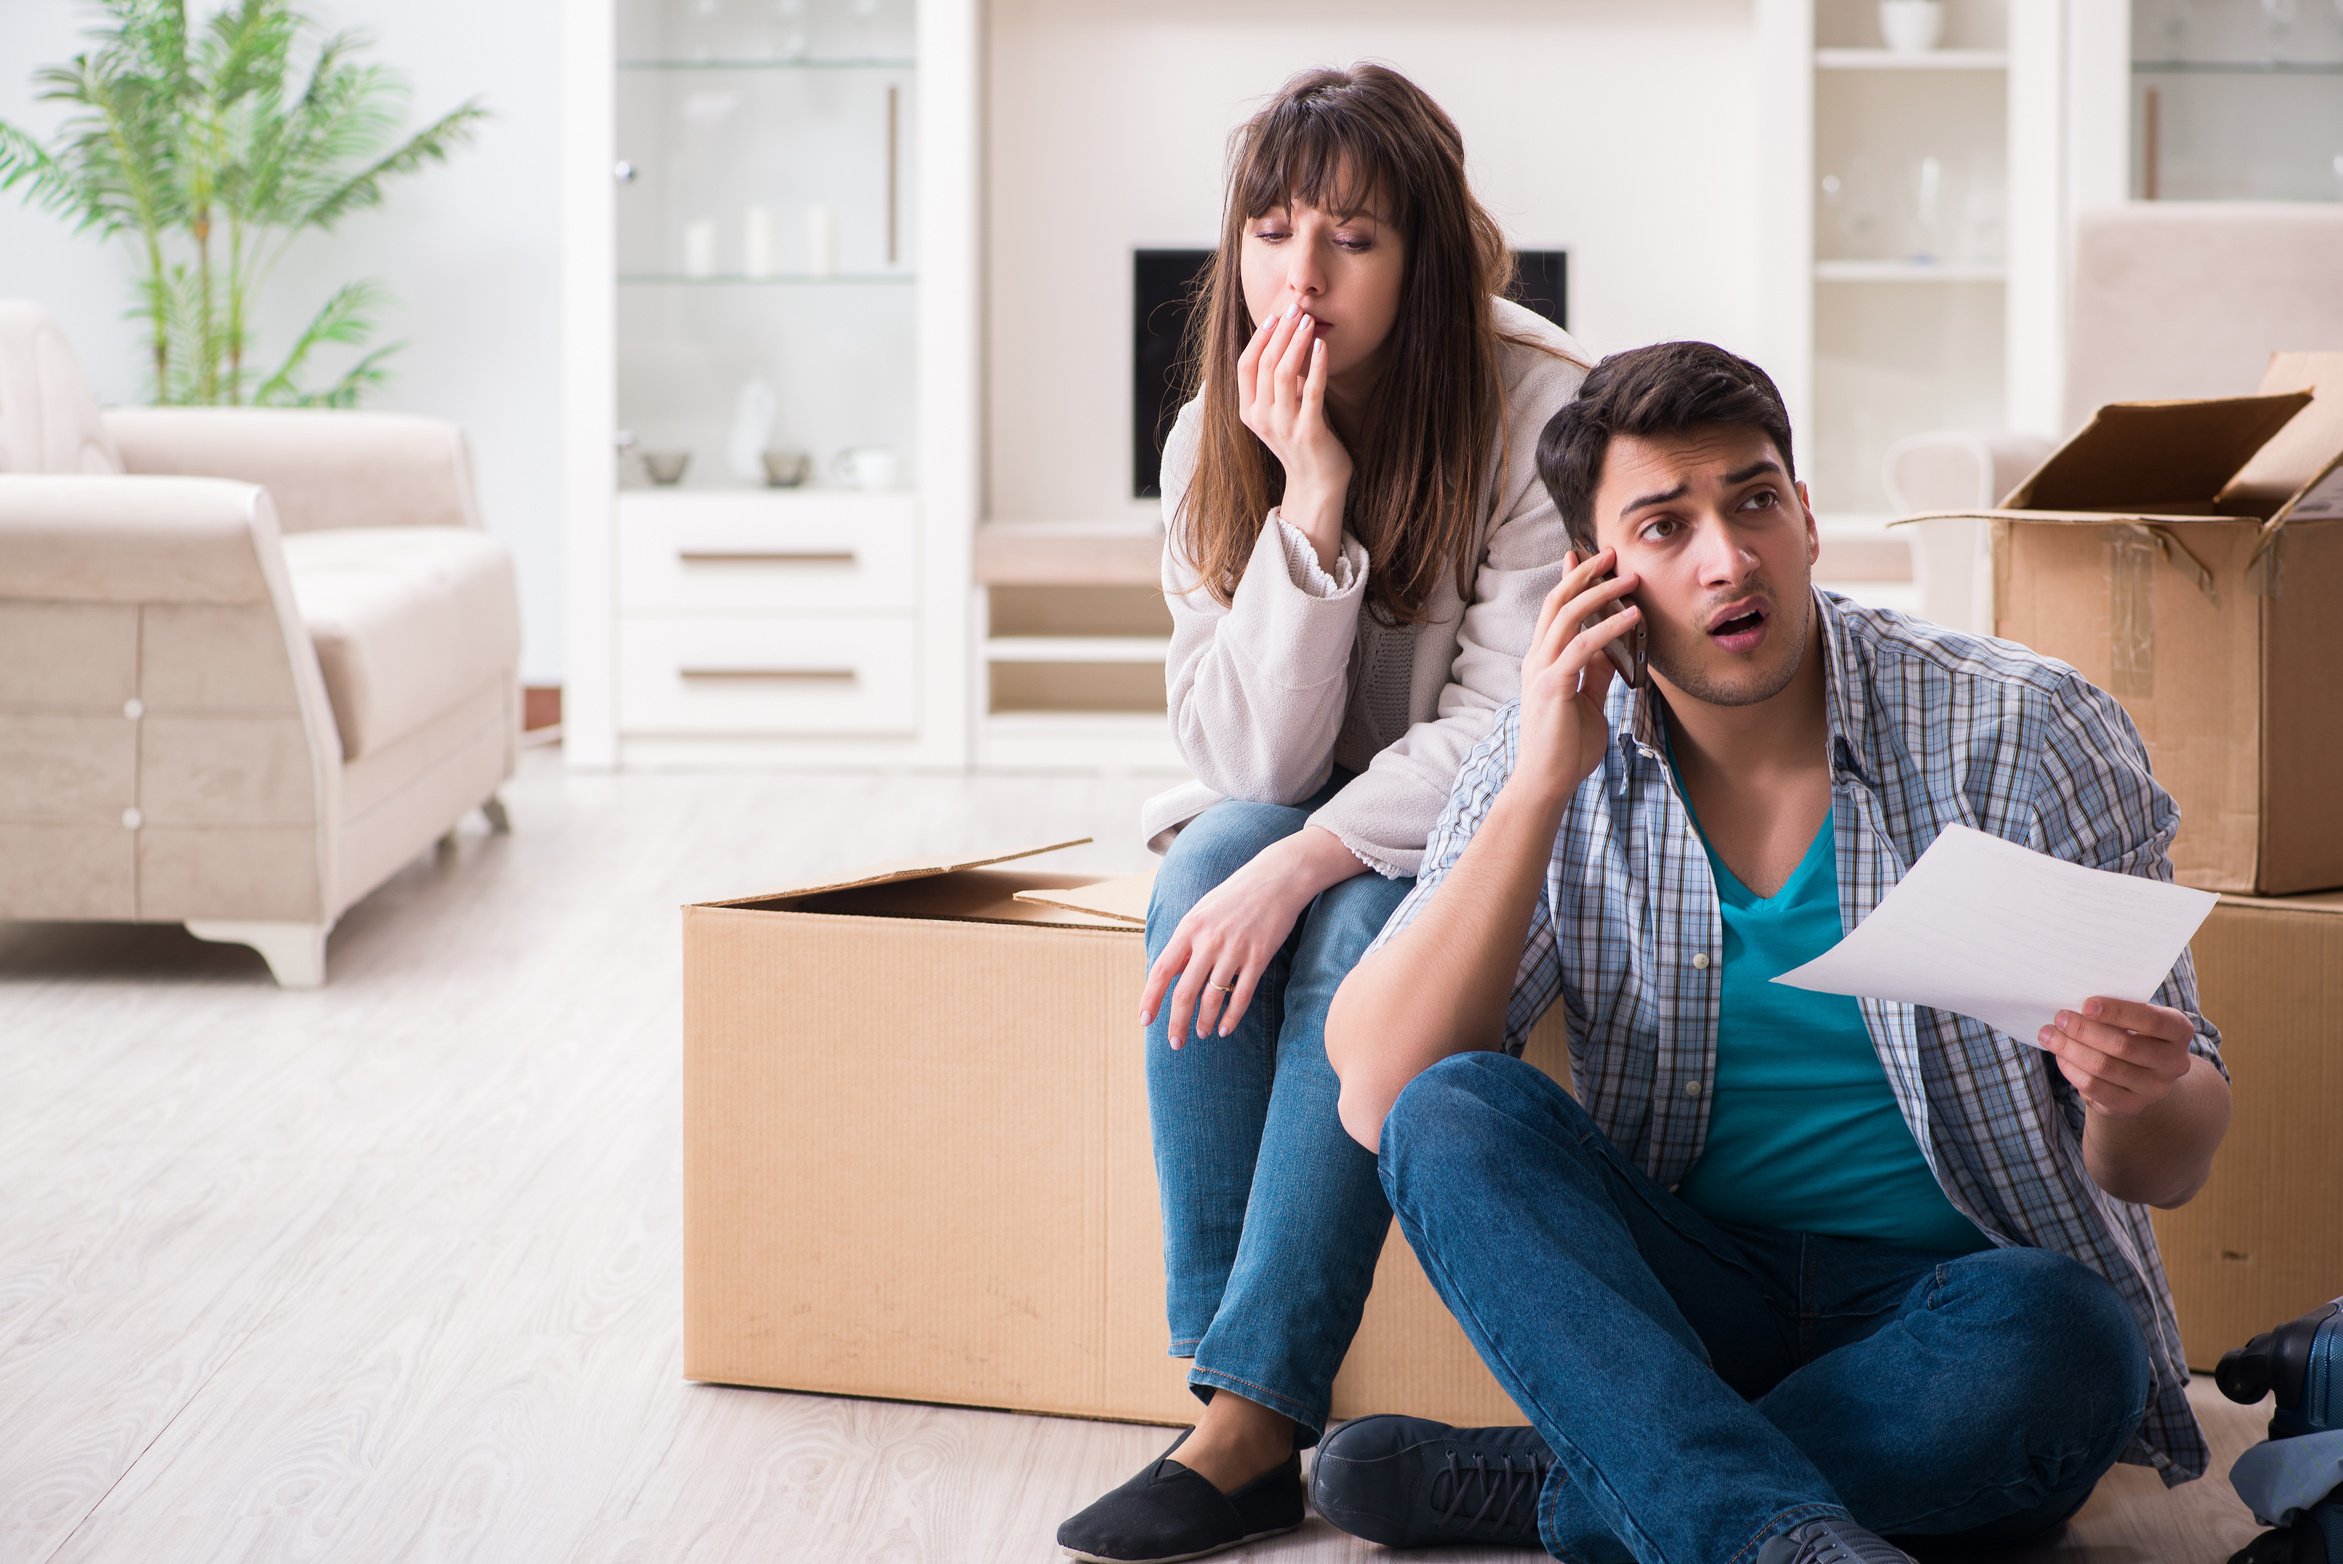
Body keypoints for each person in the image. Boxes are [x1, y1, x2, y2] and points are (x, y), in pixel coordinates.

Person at [1311, 341, 2231, 1564]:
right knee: (1455, 1112)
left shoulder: (2022, 728)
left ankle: (1581, 1482)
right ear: (1598, 578)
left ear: (1804, 517)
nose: (1726, 558)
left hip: (1955, 1326)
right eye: (1664, 526)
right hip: (1691, 1306)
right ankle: (1774, 1536)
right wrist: (1539, 787)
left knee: (2069, 1335)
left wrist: (2138, 1091)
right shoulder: (1553, 749)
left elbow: (2169, 1164)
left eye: (1753, 502)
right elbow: (1381, 1096)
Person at [1054, 63, 1593, 1564]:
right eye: (1271, 229)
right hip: (1305, 815)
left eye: (1350, 238)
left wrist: (1308, 854)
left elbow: (1506, 736)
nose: (1301, 273)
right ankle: (1225, 1392)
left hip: (1506, 840)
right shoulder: (1207, 439)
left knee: (1347, 904)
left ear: (1420, 255)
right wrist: (1305, 496)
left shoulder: (1538, 409)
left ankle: (1245, 1423)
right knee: (1212, 855)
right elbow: (1245, 759)